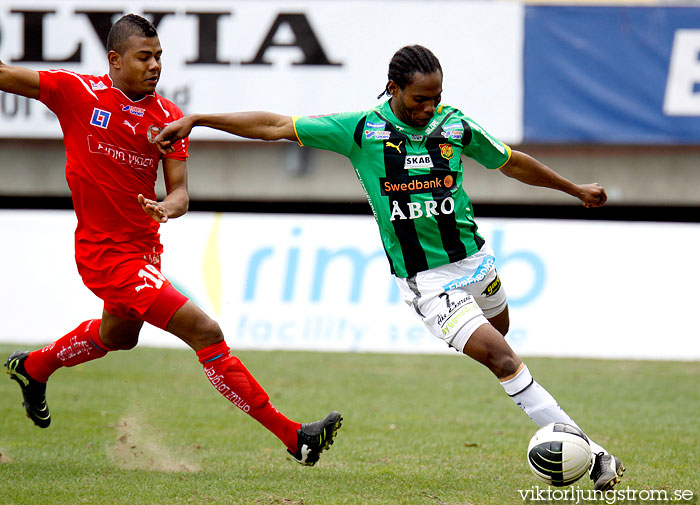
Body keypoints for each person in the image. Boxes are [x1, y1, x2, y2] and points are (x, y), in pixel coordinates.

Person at [154, 44, 625, 490]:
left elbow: (510, 162)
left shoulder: (454, 126)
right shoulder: (362, 130)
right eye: (421, 99)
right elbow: (277, 124)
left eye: (436, 98)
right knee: (502, 359)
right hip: (427, 283)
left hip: (478, 264)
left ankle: (543, 407)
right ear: (393, 88)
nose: (429, 108)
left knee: (502, 332)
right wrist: (200, 119)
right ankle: (594, 453)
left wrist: (575, 188)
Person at [1, 13, 341, 467]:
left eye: (159, 57)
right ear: (115, 60)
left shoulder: (167, 116)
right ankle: (295, 436)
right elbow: (5, 74)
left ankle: (35, 367)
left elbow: (180, 191)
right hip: (105, 255)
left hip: (144, 251)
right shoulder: (75, 92)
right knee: (205, 332)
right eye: (144, 57)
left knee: (118, 337)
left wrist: (167, 206)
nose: (155, 66)